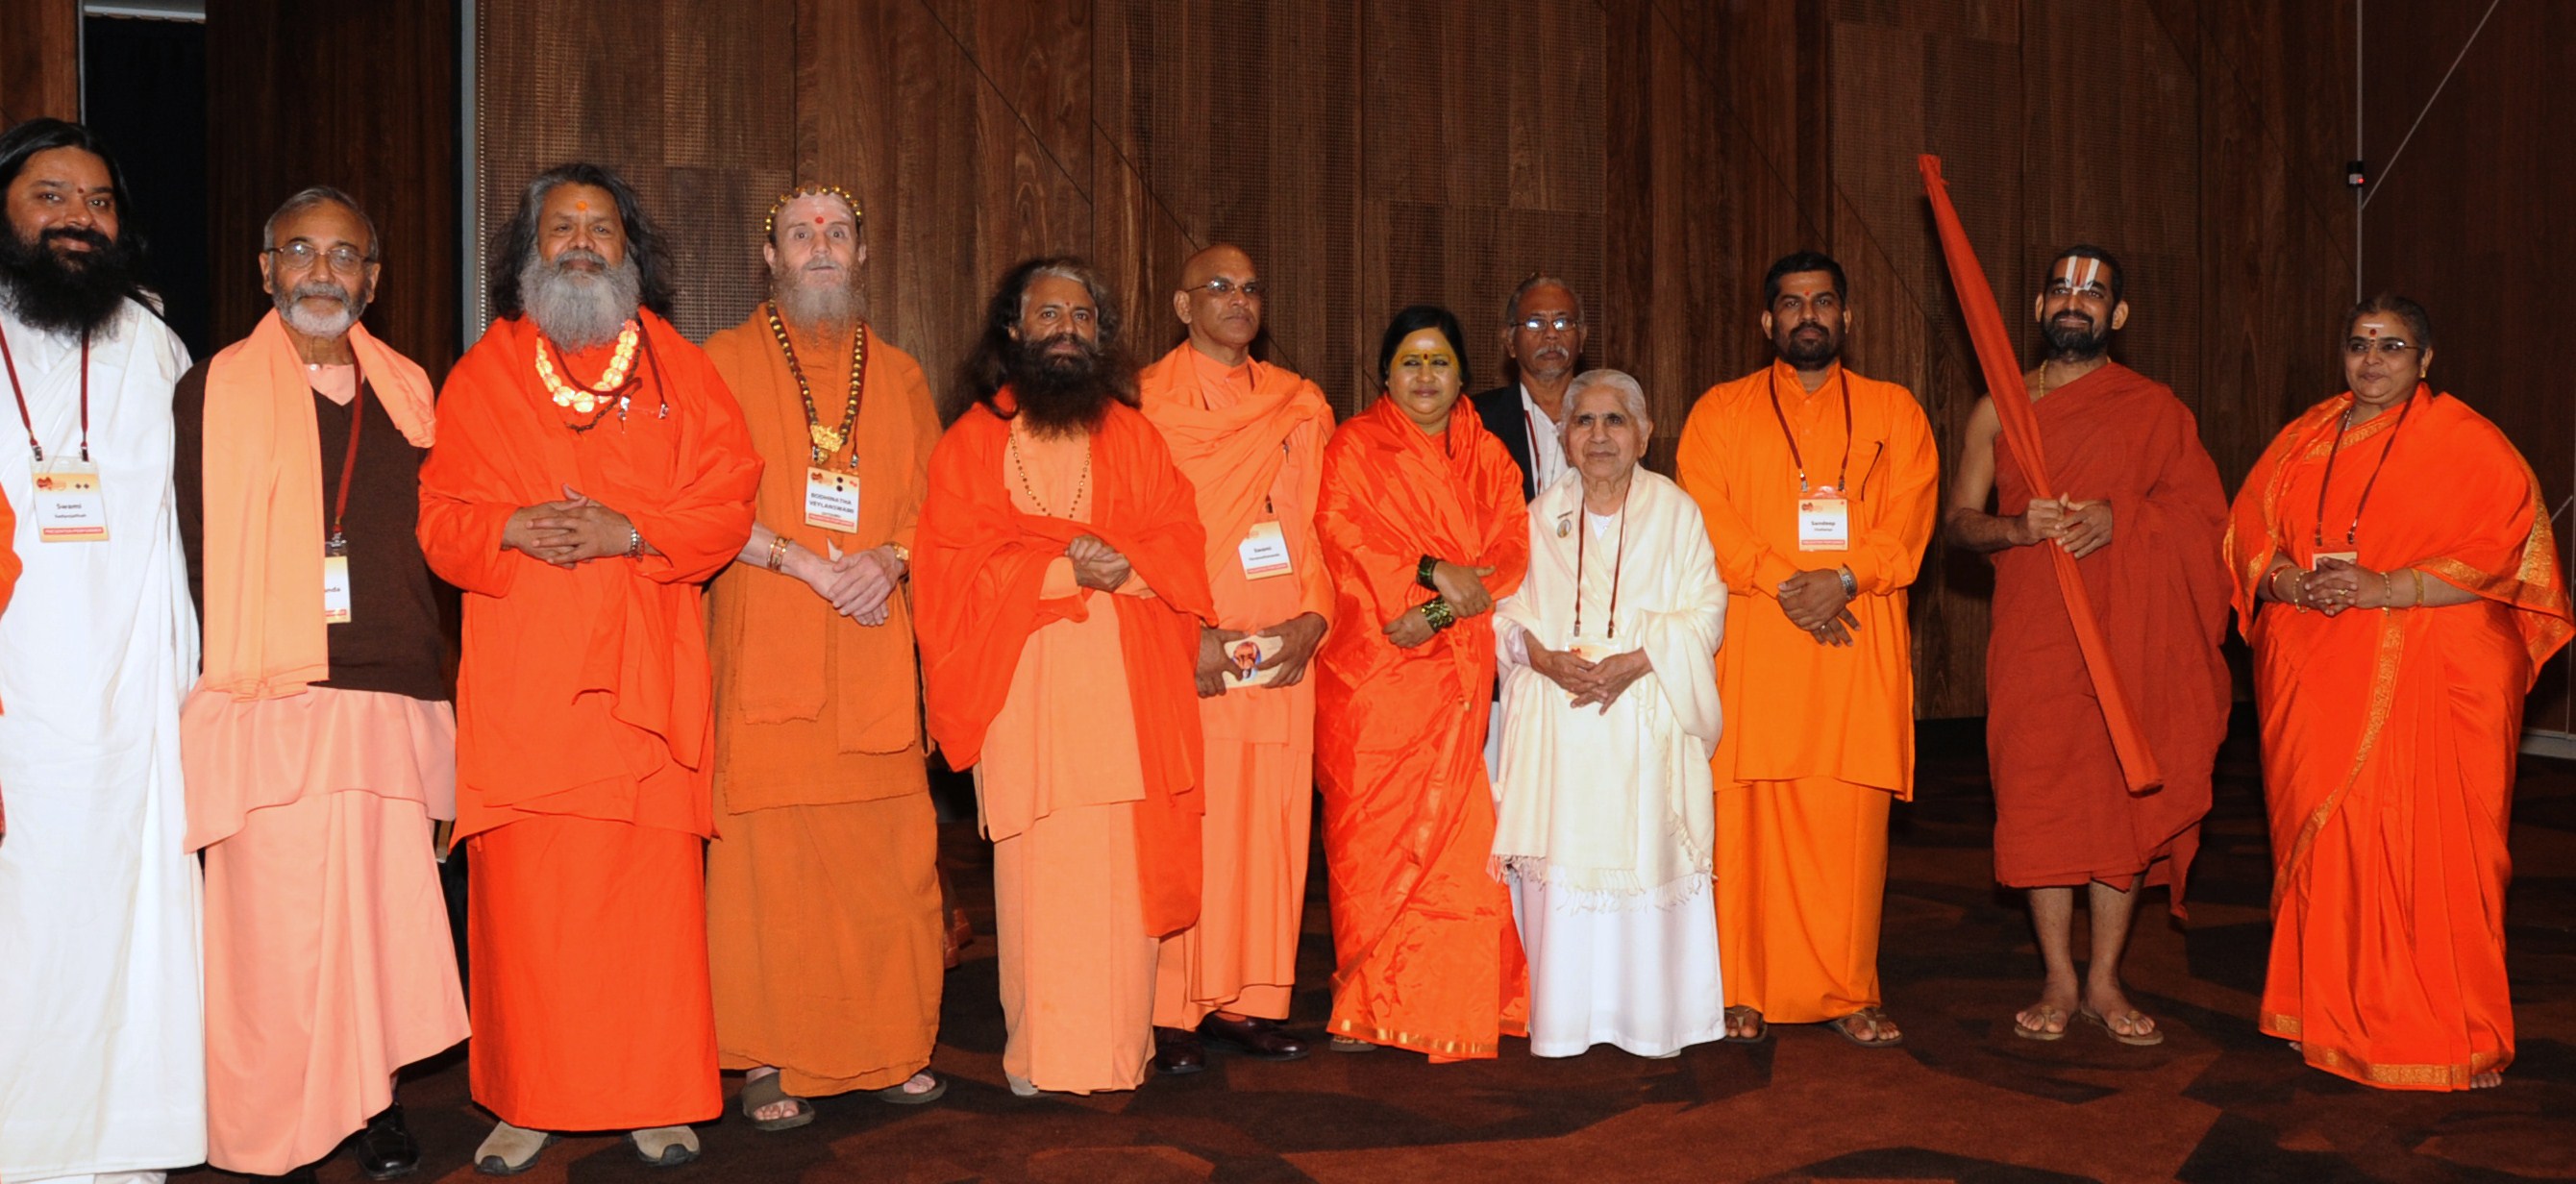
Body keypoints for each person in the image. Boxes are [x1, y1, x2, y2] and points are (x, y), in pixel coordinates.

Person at [418, 162, 760, 1172]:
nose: (579, 241)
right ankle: (528, 1099)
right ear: (529, 252)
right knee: (529, 914)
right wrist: (513, 524)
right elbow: (441, 521)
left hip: (643, 691)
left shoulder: (682, 371)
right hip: (528, 691)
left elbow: (730, 499)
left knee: (644, 914)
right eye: (560, 226)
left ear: (629, 250)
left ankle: (653, 1093)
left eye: (599, 227)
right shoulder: (483, 372)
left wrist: (630, 528)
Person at [174, 185, 466, 1181]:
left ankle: (372, 1101)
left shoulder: (411, 388)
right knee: (274, 924)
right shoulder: (212, 384)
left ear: (372, 281)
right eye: (299, 250)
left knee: (379, 920)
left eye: (345, 257)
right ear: (266, 269)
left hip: (389, 688)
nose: (321, 272)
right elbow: (195, 548)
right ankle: (260, 1118)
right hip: (273, 692)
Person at [2228, 294, 2569, 1091]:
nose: (2371, 359)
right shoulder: (2302, 440)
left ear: (2425, 359)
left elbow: (2505, 557)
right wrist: (2284, 584)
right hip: (2317, 665)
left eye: (2391, 345)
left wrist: (2387, 588)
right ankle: (2324, 1013)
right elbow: (2247, 533)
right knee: (2330, 842)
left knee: (2442, 852)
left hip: (2437, 672)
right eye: (2358, 344)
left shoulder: (2470, 445)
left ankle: (2456, 1029)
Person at [913, 256, 1214, 1097]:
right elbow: (948, 567)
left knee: (1117, 889)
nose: (1068, 331)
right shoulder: (972, 439)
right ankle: (1040, 1059)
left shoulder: (1134, 435)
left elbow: (1181, 539)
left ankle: (1117, 1056)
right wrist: (1059, 573)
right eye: (1051, 315)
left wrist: (1125, 562)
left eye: (1084, 318)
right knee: (1038, 886)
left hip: (1124, 698)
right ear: (1014, 329)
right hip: (1026, 694)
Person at [700, 184, 946, 1127]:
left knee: (887, 861)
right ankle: (769, 1056)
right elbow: (702, 501)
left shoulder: (902, 375)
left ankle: (887, 1044)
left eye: (838, 232)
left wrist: (890, 559)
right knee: (771, 873)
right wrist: (795, 558)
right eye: (800, 234)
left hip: (872, 647)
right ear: (771, 256)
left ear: (863, 251)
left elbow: (938, 508)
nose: (820, 247)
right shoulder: (721, 362)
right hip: (767, 640)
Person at [1944, 246, 2230, 1046]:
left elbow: (2209, 521)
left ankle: (2104, 976)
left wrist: (2122, 517)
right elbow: (1957, 522)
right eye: (2063, 289)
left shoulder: (2156, 409)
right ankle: (2058, 978)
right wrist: (2015, 525)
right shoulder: (1995, 407)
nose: (2076, 302)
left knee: (2121, 796)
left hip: (2130, 633)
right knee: (2039, 793)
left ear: (2119, 316)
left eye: (2095, 293)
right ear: (2039, 308)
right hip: (2035, 635)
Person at [0, 116, 206, 1184]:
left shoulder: (155, 345)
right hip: (17, 696)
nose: (79, 218)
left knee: (135, 915)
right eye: (52, 195)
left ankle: (124, 1141)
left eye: (99, 201)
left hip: (138, 700)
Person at [1673, 250, 1936, 1048]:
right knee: (1745, 828)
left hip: (1854, 646)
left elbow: (1910, 522)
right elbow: (1706, 521)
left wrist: (1847, 578)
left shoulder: (1895, 411)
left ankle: (1847, 989)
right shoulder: (1719, 411)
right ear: (1768, 322)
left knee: (1845, 830)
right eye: (1791, 305)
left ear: (1847, 317)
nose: (1808, 317)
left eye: (1823, 302)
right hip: (1758, 649)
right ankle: (1739, 990)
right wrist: (1798, 585)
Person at [1314, 305, 1531, 1059]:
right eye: (1411, 361)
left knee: (1460, 847)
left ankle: (1451, 1004)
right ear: (1384, 376)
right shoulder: (1354, 447)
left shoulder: (1487, 453)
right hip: (1373, 678)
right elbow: (1342, 534)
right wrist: (1430, 572)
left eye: (1440, 362)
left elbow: (1510, 549)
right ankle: (1367, 1001)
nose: (1426, 376)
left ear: (1465, 375)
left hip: (1454, 675)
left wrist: (1437, 608)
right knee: (1369, 840)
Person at [1137, 244, 1333, 1073]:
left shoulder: (1300, 404)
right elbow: (1135, 536)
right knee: (1197, 823)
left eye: (1252, 287)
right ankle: (1171, 1010)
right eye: (1218, 286)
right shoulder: (1143, 404)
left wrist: (1315, 620)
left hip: (1284, 652)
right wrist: (1185, 637)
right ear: (1183, 307)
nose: (1238, 299)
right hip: (1195, 648)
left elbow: (1316, 522)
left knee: (1273, 826)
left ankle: (1250, 1001)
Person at [1492, 369, 1727, 1059]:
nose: (1599, 436)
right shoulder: (1538, 516)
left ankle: (1652, 1021)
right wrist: (1538, 654)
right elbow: (1503, 612)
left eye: (1614, 421)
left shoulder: (1677, 511)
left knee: (1645, 861)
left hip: (1643, 723)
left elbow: (1707, 613)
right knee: (1565, 866)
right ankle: (1565, 1022)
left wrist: (1636, 660)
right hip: (1562, 729)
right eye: (1584, 422)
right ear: (1563, 437)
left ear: (1645, 435)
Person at [1470, 276, 1590, 503]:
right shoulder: (1476, 421)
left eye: (1563, 322)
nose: (1551, 334)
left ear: (1582, 337)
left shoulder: (1611, 418)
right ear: (1509, 342)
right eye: (1535, 323)